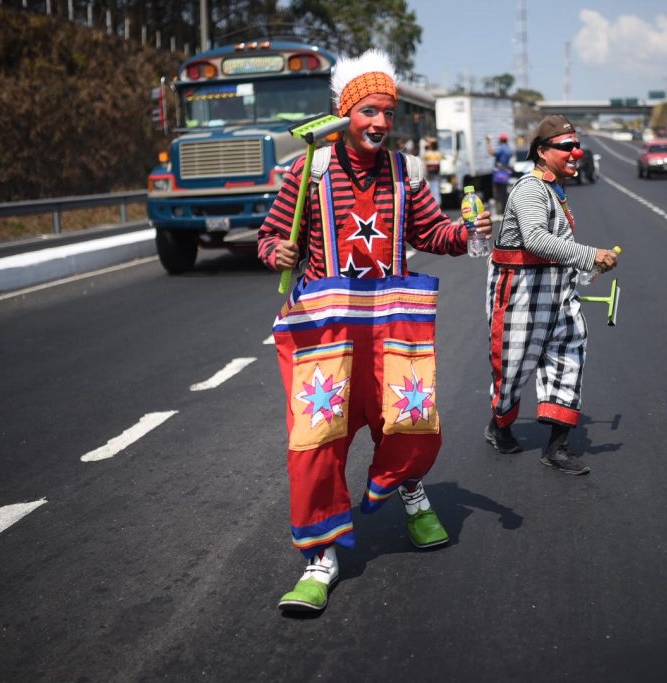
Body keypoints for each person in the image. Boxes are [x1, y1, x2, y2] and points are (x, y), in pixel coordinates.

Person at [258, 49, 492, 612]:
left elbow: (433, 233)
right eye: (369, 111)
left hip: (391, 324)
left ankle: (406, 490)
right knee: (317, 442)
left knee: (411, 420)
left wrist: (468, 233)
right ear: (346, 113)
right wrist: (277, 250)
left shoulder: (405, 172)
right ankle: (322, 556)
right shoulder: (306, 171)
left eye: (388, 112)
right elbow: (268, 239)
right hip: (327, 331)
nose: (381, 123)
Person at [484, 115, 618, 475]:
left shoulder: (556, 189)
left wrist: (586, 269)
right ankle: (500, 426)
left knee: (568, 359)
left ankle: (557, 447)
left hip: (558, 294)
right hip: (520, 297)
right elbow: (536, 240)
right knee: (512, 369)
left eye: (576, 146)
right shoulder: (529, 189)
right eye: (566, 147)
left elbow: (559, 247)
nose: (575, 153)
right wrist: (591, 255)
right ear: (542, 152)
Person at [486, 132, 513, 215]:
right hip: (505, 172)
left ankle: (499, 211)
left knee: (497, 193)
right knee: (504, 192)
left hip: (498, 173)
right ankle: (505, 210)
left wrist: (488, 142)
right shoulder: (509, 149)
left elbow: (491, 152)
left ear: (501, 140)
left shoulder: (501, 148)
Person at [424, 137, 443, 204]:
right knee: (433, 189)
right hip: (431, 174)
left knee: (434, 189)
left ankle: (435, 204)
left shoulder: (429, 154)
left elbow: (438, 165)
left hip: (433, 174)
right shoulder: (436, 153)